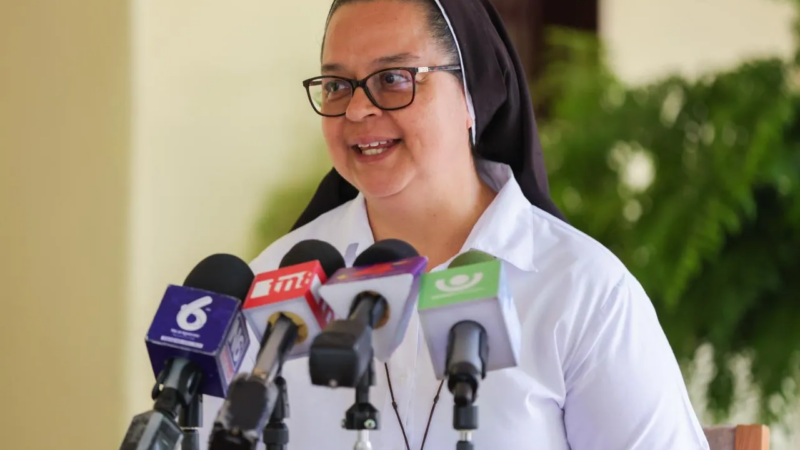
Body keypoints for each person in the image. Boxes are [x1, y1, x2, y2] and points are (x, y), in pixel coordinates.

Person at [203, 0, 712, 448]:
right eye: (337, 85)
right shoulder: (274, 286)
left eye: (394, 78)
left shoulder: (580, 289)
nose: (357, 109)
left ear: (471, 95)